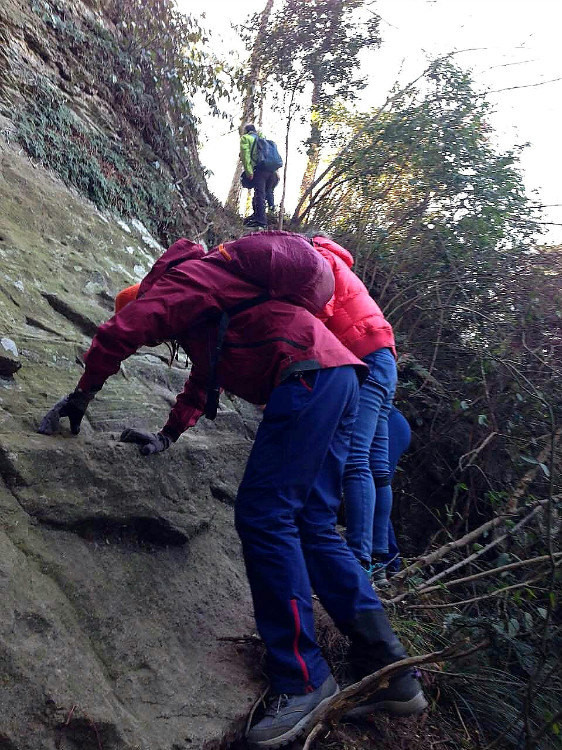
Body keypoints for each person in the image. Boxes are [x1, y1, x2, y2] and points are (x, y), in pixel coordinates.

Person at [38, 231, 426, 749]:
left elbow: (123, 329)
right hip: (340, 378)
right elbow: (203, 383)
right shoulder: (215, 313)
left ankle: (303, 679)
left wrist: (83, 393)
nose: (160, 339)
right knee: (312, 524)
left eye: (160, 327)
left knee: (265, 516)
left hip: (309, 375)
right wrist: (168, 434)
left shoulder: (184, 282)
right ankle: (392, 670)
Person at [309, 234, 398, 587]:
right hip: (384, 358)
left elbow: (319, 311)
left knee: (356, 460)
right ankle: (379, 557)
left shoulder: (321, 260)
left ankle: (360, 562)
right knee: (378, 468)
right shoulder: (340, 263)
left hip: (366, 358)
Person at [239, 124, 276, 229]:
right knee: (267, 193)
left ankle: (261, 222)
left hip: (259, 170)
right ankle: (269, 214)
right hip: (271, 171)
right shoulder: (262, 138)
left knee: (259, 194)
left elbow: (245, 156)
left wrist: (249, 172)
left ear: (246, 131)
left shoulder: (246, 138)